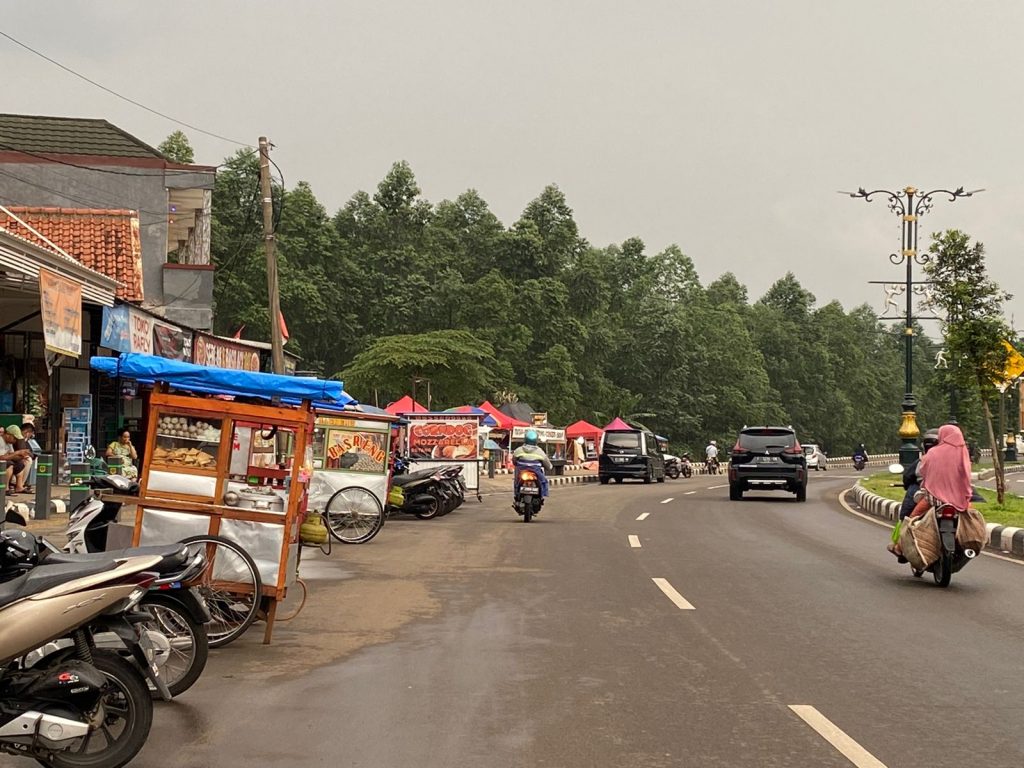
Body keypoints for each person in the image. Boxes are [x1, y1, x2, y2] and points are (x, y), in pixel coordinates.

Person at [898, 429, 939, 520]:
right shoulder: (958, 459)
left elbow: (908, 477)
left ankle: (905, 523)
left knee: (908, 517)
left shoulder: (923, 460)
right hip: (955, 497)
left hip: (931, 494)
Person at [513, 429, 551, 506]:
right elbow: (548, 465)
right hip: (535, 472)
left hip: (521, 471)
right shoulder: (540, 452)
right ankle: (542, 495)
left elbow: (514, 461)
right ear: (536, 440)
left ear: (525, 439)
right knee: (543, 482)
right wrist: (549, 467)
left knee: (516, 481)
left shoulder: (518, 450)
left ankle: (516, 494)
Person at [2, 424, 33, 494]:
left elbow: (11, 454)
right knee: (9, 465)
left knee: (20, 463)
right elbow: (2, 457)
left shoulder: (9, 443)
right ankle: (5, 488)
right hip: (3, 461)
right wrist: (18, 453)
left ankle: (19, 486)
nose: (15, 441)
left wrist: (21, 456)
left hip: (6, 459)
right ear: (8, 435)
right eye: (14, 438)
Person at [19, 422, 42, 494]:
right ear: (27, 432)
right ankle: (20, 484)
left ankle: (21, 484)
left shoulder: (27, 441)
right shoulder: (19, 439)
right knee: (27, 460)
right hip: (17, 458)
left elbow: (31, 452)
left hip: (23, 458)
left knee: (28, 460)